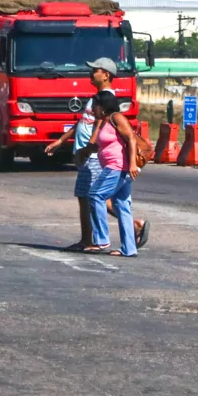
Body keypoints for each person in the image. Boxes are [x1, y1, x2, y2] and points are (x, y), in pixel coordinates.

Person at [43, 57, 149, 251]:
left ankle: (99, 240)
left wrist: (88, 149)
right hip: (101, 159)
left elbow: (103, 129)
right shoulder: (98, 99)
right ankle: (123, 245)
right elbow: (84, 123)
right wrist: (63, 141)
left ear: (106, 74)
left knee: (94, 196)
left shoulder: (107, 103)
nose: (91, 73)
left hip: (108, 163)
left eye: (95, 70)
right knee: (105, 199)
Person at [76, 92, 139, 257]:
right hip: (117, 168)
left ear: (103, 107)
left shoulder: (116, 117)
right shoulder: (103, 122)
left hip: (117, 167)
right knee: (122, 205)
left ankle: (101, 239)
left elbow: (131, 139)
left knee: (95, 195)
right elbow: (104, 145)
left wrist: (132, 163)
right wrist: (85, 151)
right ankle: (129, 248)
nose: (92, 110)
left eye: (95, 106)